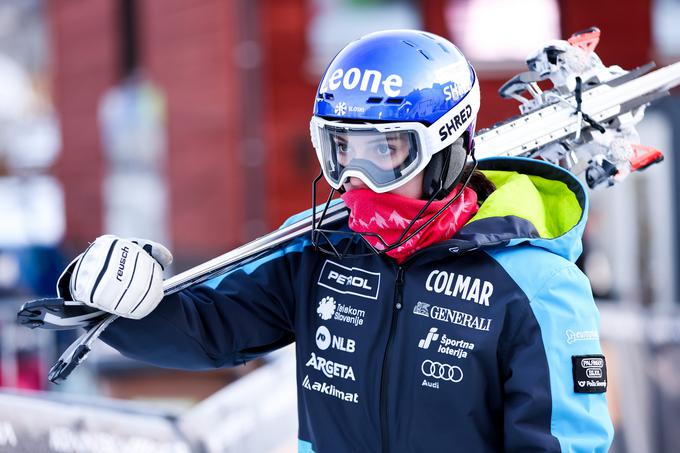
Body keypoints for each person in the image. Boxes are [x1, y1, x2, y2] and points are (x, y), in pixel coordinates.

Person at [57, 30, 614, 452]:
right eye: (341, 151)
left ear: (445, 149)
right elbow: (207, 328)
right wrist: (116, 299)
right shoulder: (322, 248)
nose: (357, 180)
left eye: (386, 153)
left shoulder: (536, 288)